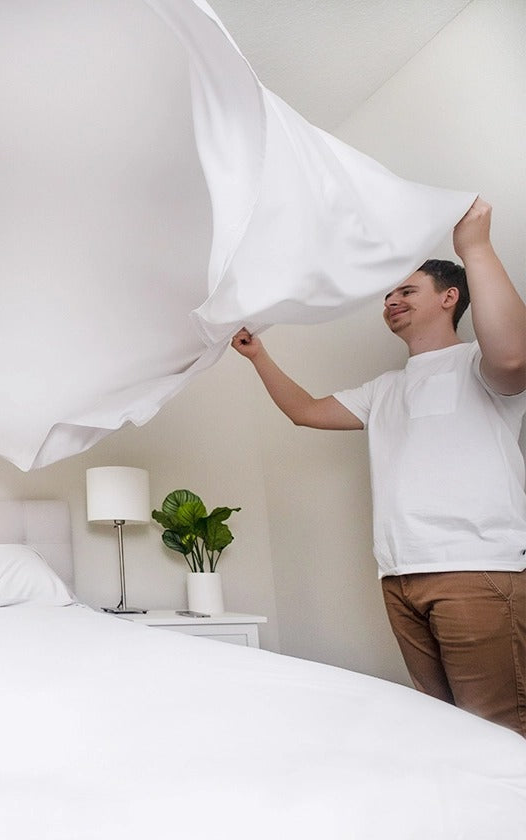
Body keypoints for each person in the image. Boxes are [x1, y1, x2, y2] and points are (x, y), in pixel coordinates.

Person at [232, 197, 526, 737]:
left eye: (406, 290)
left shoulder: (479, 364)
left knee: (499, 730)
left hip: (474, 569)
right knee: (444, 728)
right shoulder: (384, 389)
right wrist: (259, 357)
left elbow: (513, 358)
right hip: (400, 575)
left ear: (449, 297)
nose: (391, 300)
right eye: (388, 294)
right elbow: (305, 411)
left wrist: (475, 248)